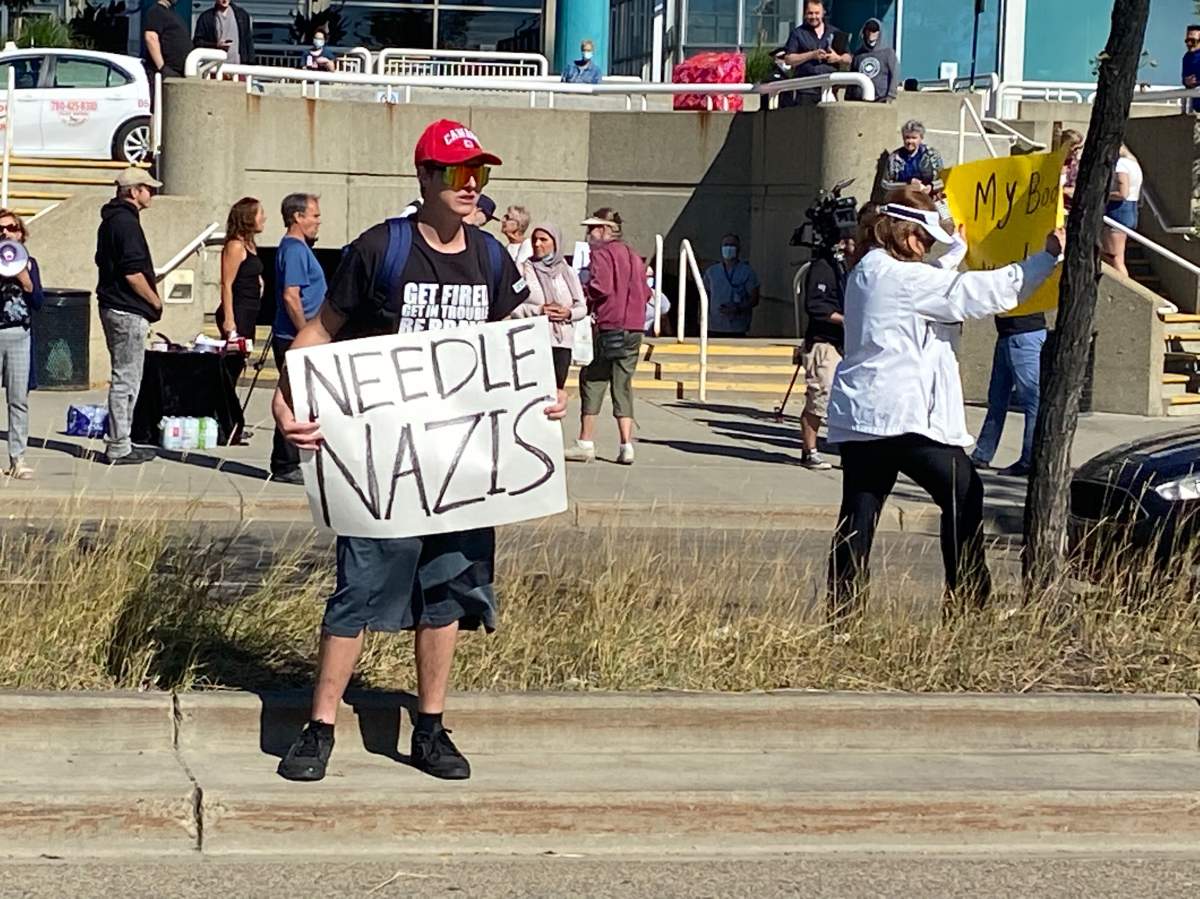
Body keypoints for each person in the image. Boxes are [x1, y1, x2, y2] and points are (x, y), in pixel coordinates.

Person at [271, 118, 564, 783]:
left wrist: (542, 403)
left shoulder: (492, 258)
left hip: (461, 467)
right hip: (382, 464)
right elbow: (317, 332)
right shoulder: (381, 248)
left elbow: (515, 352)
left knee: (449, 592)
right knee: (356, 591)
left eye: (479, 175)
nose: (471, 186)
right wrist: (285, 398)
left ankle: (430, 727)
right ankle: (319, 725)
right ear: (425, 176)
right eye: (458, 173)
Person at [826, 187, 1063, 621]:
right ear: (903, 233)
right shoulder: (906, 279)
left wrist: (955, 248)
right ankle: (968, 606)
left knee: (858, 515)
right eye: (925, 238)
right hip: (906, 416)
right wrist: (1046, 257)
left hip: (864, 416)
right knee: (965, 494)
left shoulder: (867, 270)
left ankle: (843, 617)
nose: (928, 247)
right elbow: (981, 292)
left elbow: (931, 282)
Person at [565, 208, 650, 466]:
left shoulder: (601, 254)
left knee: (593, 379)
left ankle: (585, 442)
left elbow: (600, 287)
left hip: (609, 324)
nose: (589, 234)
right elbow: (646, 292)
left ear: (604, 230)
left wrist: (582, 291)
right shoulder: (634, 256)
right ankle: (626, 445)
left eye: (592, 229)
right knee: (623, 384)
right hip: (634, 327)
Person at [95, 168, 163, 466]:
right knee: (127, 378)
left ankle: (122, 440)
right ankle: (119, 445)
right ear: (134, 191)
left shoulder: (111, 221)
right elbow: (133, 272)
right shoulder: (126, 224)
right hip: (127, 308)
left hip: (112, 305)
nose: (152, 194)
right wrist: (155, 301)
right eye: (149, 188)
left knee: (125, 375)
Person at [270, 193, 325, 485]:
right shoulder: (293, 250)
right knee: (292, 400)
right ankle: (285, 463)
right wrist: (307, 334)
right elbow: (292, 296)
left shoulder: (301, 248)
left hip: (300, 335)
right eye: (314, 215)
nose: (318, 221)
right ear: (297, 217)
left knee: (300, 400)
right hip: (294, 336)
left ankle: (291, 461)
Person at [512, 221, 587, 390]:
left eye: (543, 240)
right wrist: (538, 311)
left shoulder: (567, 272)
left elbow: (581, 307)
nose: (537, 244)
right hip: (532, 341)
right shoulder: (523, 269)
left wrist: (568, 313)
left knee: (556, 392)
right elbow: (512, 307)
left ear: (555, 242)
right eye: (535, 240)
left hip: (561, 343)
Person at [798, 234, 851, 472]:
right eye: (851, 241)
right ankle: (810, 451)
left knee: (847, 401)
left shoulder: (855, 268)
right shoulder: (823, 267)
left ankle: (849, 451)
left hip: (847, 344)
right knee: (821, 395)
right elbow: (816, 306)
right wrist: (848, 321)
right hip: (824, 342)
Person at [0, 210, 43, 480]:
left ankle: (18, 459)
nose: (5, 233)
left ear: (20, 233)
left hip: (19, 335)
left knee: (18, 400)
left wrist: (26, 281)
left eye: (11, 228)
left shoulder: (30, 263)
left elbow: (38, 302)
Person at [783, 1, 851, 106]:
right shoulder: (798, 33)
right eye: (810, 13)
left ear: (823, 13)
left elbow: (848, 58)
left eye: (817, 13)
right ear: (805, 14)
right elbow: (789, 60)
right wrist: (811, 55)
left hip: (829, 89)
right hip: (806, 90)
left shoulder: (835, 32)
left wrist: (838, 58)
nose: (813, 16)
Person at [216, 197, 264, 340]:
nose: (264, 218)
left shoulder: (249, 245)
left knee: (245, 353)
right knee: (235, 356)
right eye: (260, 214)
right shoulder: (235, 246)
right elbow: (226, 283)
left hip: (251, 309)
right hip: (238, 310)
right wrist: (229, 319)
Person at [702, 234, 760, 338]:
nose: (728, 248)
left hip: (737, 328)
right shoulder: (711, 272)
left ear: (738, 249)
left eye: (732, 245)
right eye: (726, 245)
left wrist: (738, 308)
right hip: (714, 326)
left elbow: (754, 299)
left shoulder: (747, 272)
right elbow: (703, 296)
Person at [1102, 144, 1142, 278]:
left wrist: (1101, 194)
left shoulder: (1120, 164)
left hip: (1118, 211)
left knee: (1115, 258)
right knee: (1115, 256)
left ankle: (1125, 286)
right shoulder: (1134, 164)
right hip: (1130, 209)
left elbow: (1122, 193)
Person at [884, 121, 946, 194]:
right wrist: (907, 184)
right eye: (907, 137)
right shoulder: (894, 158)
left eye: (914, 138)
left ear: (921, 138)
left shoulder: (932, 155)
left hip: (930, 197)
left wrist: (931, 187)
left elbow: (943, 180)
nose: (910, 141)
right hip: (902, 198)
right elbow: (885, 184)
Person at [192, 0, 254, 66]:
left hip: (238, 67)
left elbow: (248, 42)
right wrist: (216, 45)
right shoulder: (206, 17)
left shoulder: (242, 15)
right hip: (214, 67)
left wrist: (251, 64)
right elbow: (197, 42)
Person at [849, 18, 898, 102]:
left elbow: (895, 74)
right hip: (859, 100)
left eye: (875, 31)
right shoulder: (858, 55)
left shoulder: (888, 53)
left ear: (880, 33)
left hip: (880, 99)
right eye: (869, 30)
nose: (871, 33)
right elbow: (852, 77)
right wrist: (849, 96)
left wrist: (890, 96)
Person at [142, 0, 192, 79]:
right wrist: (162, 67)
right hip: (166, 73)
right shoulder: (156, 11)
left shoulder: (172, 12)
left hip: (178, 72)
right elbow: (151, 38)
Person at [1059, 129, 1084, 209]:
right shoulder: (1052, 163)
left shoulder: (1077, 166)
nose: (1077, 152)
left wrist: (1063, 191)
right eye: (1075, 148)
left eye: (1080, 148)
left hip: (1069, 208)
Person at [1183, 24, 1200, 113]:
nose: (1189, 44)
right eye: (1187, 41)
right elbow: (1184, 79)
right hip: (1196, 108)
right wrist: (1187, 81)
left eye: (1193, 41)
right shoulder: (1187, 58)